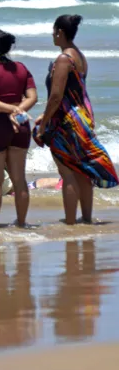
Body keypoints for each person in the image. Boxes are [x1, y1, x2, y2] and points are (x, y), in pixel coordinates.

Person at [34, 15, 118, 224]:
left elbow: (56, 96)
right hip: (82, 116)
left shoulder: (64, 59)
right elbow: (72, 93)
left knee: (67, 171)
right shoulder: (79, 56)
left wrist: (44, 124)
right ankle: (86, 219)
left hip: (66, 120)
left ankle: (70, 222)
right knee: (82, 170)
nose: (52, 35)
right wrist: (44, 115)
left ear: (60, 32)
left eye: (54, 31)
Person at [0, 29, 38, 229]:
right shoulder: (21, 68)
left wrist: (10, 109)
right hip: (20, 125)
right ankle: (21, 223)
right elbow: (32, 97)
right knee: (19, 178)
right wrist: (17, 109)